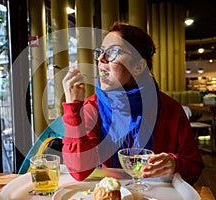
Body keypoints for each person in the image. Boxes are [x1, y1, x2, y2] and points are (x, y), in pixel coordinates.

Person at [61, 22, 204, 185]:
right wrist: (73, 107)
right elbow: (79, 171)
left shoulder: (170, 109)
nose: (101, 59)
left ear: (138, 66)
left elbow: (194, 167)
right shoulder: (91, 107)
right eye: (101, 52)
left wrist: (175, 164)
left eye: (112, 52)